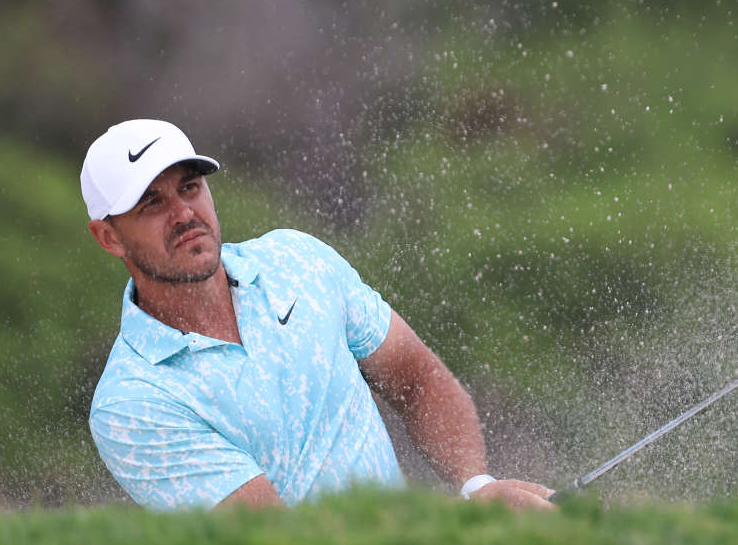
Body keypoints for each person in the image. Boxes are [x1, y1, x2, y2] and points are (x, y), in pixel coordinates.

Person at [80, 118, 553, 512]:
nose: (184, 213)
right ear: (108, 237)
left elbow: (417, 378)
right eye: (153, 203)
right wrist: (455, 528)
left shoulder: (298, 260)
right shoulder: (131, 402)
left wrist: (477, 487)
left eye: (190, 187)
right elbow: (281, 544)